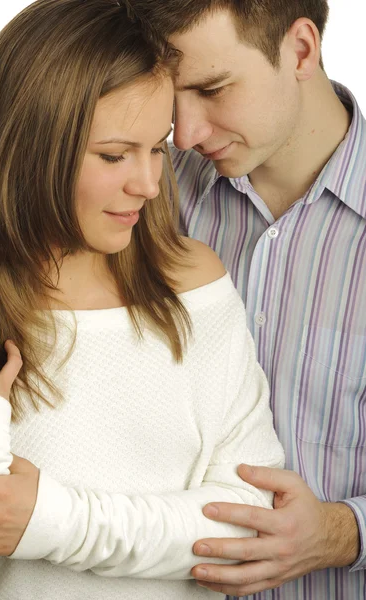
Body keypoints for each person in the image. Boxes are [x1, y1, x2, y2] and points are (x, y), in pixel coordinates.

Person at [0, 1, 285, 599]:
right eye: (114, 155)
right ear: (32, 146)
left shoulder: (194, 283)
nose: (148, 183)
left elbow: (249, 521)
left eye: (158, 148)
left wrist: (54, 522)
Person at [129, 0, 366, 598]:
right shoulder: (139, 191)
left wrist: (344, 532)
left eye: (212, 88)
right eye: (170, 94)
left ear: (301, 50)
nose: (185, 133)